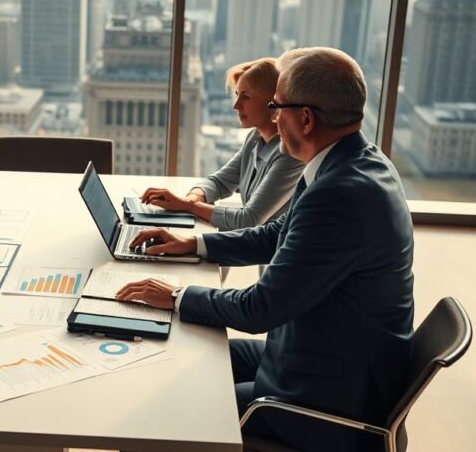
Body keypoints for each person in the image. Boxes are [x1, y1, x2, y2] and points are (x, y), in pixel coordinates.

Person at [116, 47, 415, 452]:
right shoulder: (353, 162)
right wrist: (196, 244)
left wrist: (176, 295)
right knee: (188, 357)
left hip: (330, 401)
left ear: (305, 118)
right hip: (316, 356)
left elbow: (260, 309)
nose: (273, 117)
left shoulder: (339, 194)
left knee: (164, 410)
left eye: (277, 107)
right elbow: (275, 234)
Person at [139, 58, 304, 230]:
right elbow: (219, 182)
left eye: (246, 97)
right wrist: (192, 198)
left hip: (269, 253)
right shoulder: (255, 138)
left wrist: (188, 207)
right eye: (237, 95)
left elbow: (248, 220)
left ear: (273, 102)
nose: (236, 105)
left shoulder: (290, 154)